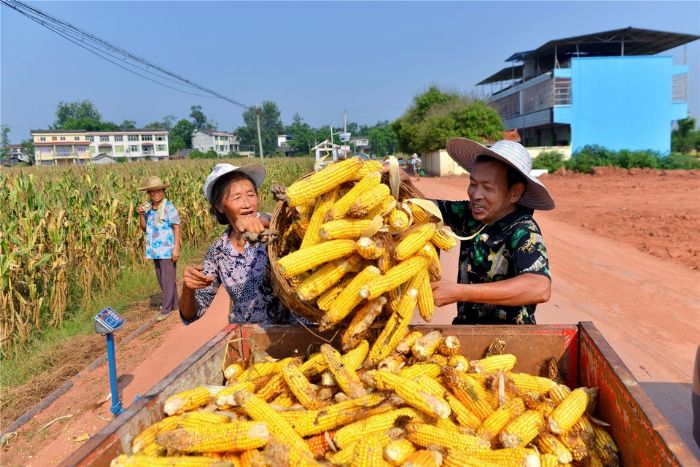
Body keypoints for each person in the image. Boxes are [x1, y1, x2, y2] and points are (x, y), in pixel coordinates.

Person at [402, 138, 554, 324]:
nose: (475, 195)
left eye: (488, 188)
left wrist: (460, 292)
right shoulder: (470, 216)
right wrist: (405, 183)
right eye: (473, 184)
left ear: (515, 192)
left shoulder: (523, 231)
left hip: (512, 338)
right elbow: (426, 209)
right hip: (466, 331)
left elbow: (539, 287)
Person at [179, 163, 292, 325]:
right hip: (248, 338)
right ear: (219, 206)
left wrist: (263, 222)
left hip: (293, 334)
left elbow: (285, 221)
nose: (247, 204)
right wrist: (188, 290)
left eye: (251, 195)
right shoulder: (218, 251)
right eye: (237, 197)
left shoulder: (277, 225)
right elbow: (191, 314)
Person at [137, 176, 181, 322]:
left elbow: (176, 227)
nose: (156, 194)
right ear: (149, 193)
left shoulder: (169, 207)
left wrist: (176, 249)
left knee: (167, 280)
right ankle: (175, 305)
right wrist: (141, 215)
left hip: (167, 250)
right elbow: (144, 228)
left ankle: (166, 309)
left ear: (163, 191)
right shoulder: (148, 208)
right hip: (155, 250)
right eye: (153, 192)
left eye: (159, 191)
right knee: (163, 279)